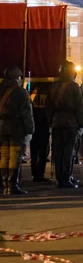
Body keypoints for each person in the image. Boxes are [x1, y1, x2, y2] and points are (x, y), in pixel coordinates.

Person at [46, 61, 83, 188]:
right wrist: (82, 124)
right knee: (69, 151)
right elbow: (80, 107)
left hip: (56, 122)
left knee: (58, 151)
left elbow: (48, 107)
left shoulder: (53, 86)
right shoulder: (74, 86)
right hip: (71, 122)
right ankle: (66, 178)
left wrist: (50, 122)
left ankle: (59, 178)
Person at [0, 66, 33, 195]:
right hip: (16, 128)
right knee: (15, 155)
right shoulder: (21, 92)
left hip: (1, 128)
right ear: (18, 78)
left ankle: (5, 184)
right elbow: (26, 114)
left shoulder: (1, 90)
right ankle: (13, 185)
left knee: (4, 156)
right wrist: (30, 129)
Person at [29, 85, 51, 183]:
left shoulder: (31, 92)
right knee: (42, 151)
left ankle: (35, 173)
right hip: (44, 123)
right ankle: (39, 174)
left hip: (34, 123)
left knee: (34, 151)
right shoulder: (48, 91)